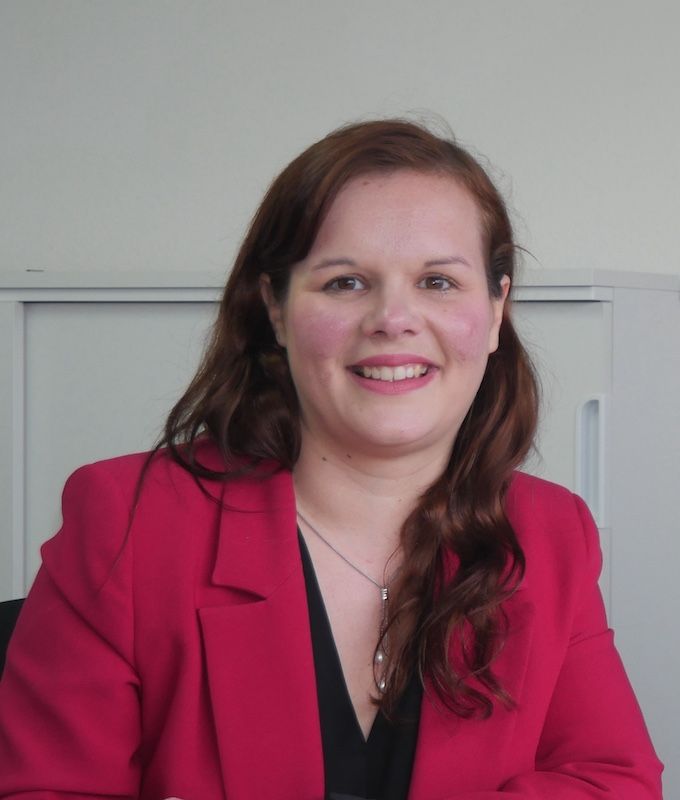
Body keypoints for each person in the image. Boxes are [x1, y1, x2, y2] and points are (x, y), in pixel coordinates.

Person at [0, 119, 663, 799]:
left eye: (438, 281)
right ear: (276, 310)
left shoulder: (549, 532)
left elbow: (613, 779)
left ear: (496, 311)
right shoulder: (129, 522)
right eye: (346, 283)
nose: (393, 318)